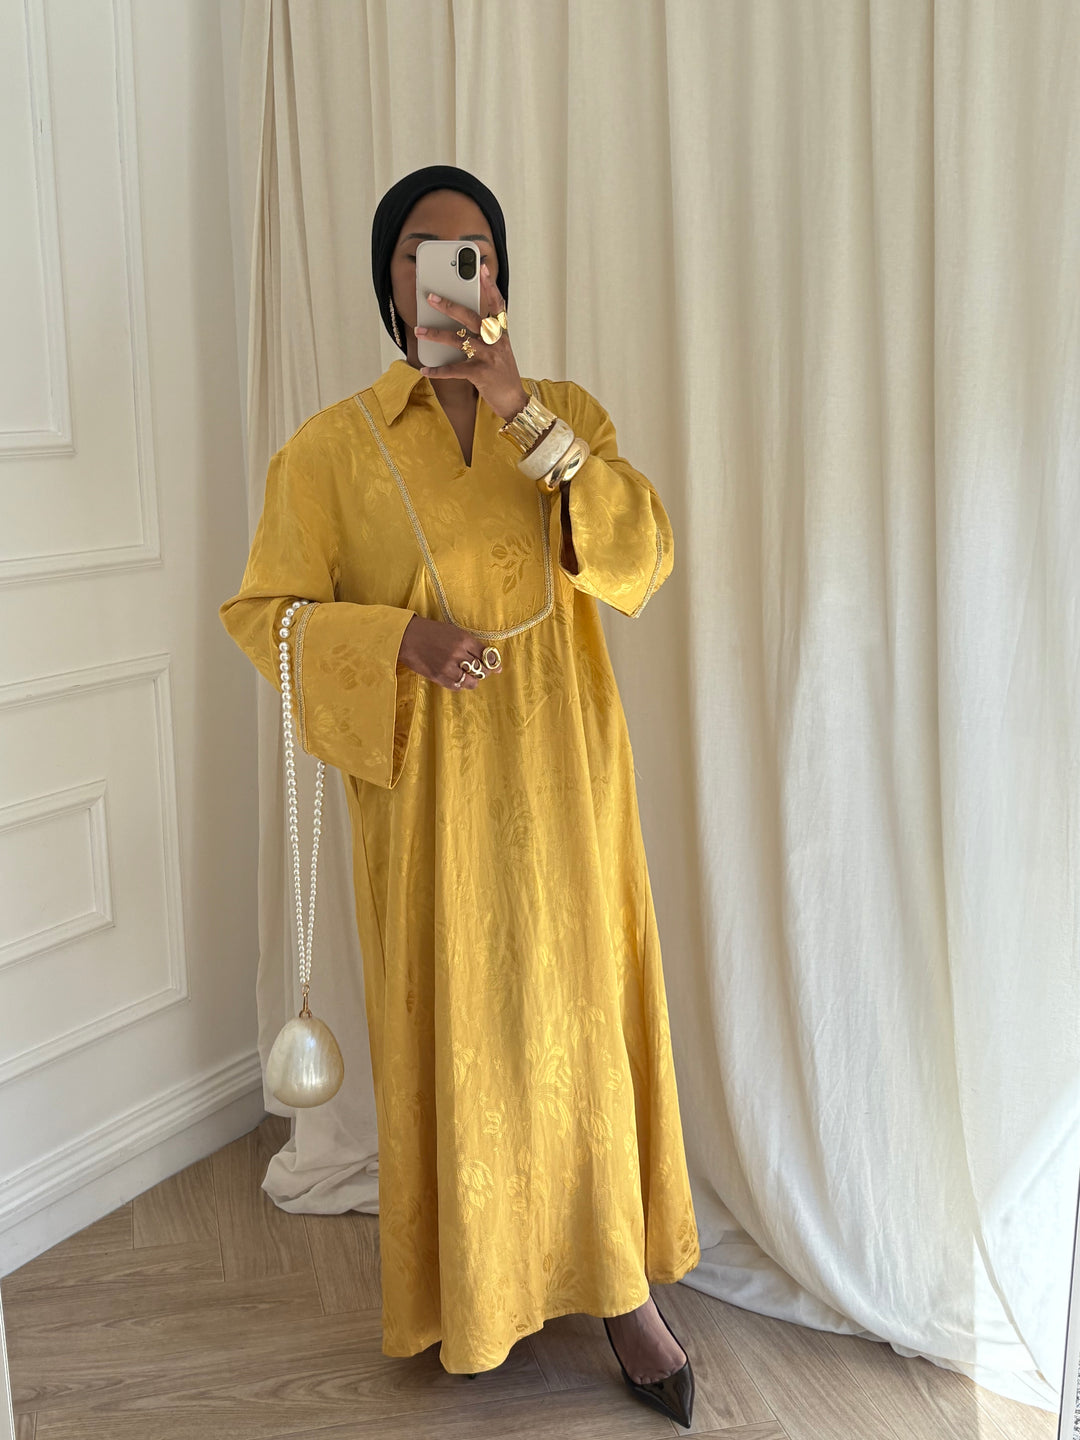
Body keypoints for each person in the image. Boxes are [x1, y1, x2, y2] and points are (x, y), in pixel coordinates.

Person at [219, 164, 700, 1425]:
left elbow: (641, 556)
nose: (451, 273)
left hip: (567, 776)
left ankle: (624, 1294)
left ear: (499, 274)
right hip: (430, 804)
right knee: (466, 1033)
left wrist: (520, 407)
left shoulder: (565, 415)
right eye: (424, 252)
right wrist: (399, 643)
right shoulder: (331, 450)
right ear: (390, 280)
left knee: (582, 1022)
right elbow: (265, 614)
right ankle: (477, 1295)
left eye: (473, 250)